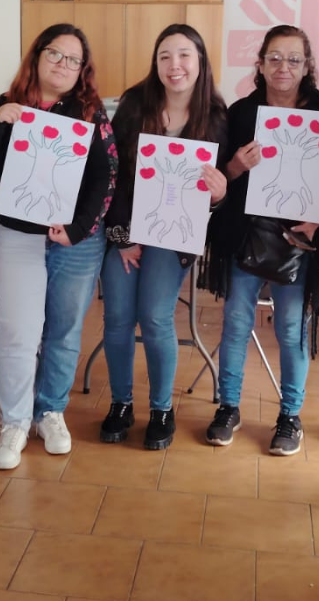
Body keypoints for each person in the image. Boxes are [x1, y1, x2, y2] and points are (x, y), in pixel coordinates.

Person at [0, 23, 117, 470]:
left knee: (63, 331)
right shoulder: (8, 106)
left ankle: (50, 411)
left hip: (75, 240)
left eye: (74, 60)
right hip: (19, 233)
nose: (63, 65)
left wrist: (77, 228)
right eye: (56, 54)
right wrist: (0, 124)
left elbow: (105, 176)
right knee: (18, 330)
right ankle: (14, 422)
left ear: (83, 70)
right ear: (37, 56)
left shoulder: (90, 113)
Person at [205, 24, 319, 456]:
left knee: (289, 326)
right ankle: (228, 407)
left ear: (307, 66)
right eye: (275, 58)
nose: (283, 67)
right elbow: (219, 179)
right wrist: (234, 167)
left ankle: (290, 415)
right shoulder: (242, 112)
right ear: (260, 64)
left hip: (298, 242)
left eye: (294, 59)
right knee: (236, 323)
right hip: (246, 236)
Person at [99, 24, 229, 450]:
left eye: (184, 55)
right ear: (155, 64)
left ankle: (160, 408)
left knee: (155, 316)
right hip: (126, 229)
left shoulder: (216, 115)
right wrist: (122, 236)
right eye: (165, 56)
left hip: (175, 236)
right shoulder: (136, 104)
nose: (175, 65)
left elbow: (216, 193)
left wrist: (217, 194)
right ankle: (121, 403)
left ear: (200, 61)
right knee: (117, 317)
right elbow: (111, 171)